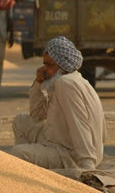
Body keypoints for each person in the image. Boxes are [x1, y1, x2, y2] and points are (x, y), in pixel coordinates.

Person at [8, 36, 106, 170]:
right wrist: (38, 82)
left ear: (63, 67)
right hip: (56, 139)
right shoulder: (66, 80)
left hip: (70, 154)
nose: (44, 70)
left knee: (17, 153)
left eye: (50, 65)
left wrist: (87, 164)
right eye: (44, 64)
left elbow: (79, 123)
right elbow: (37, 115)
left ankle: (32, 176)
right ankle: (32, 169)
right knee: (20, 121)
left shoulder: (66, 84)